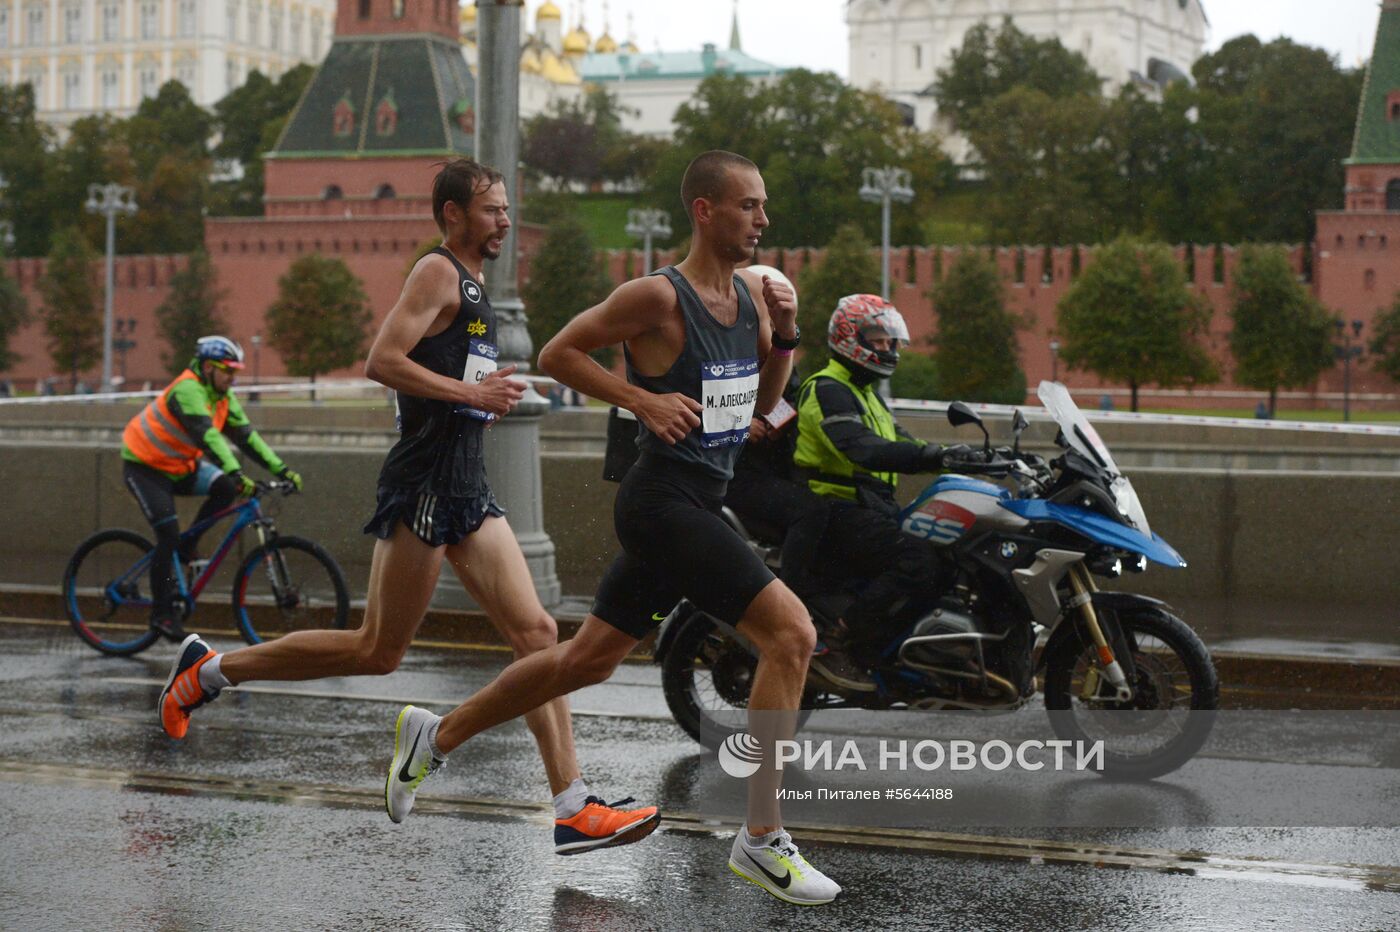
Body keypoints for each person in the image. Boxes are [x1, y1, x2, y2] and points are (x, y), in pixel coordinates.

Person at [354, 150, 839, 906]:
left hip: (699, 501)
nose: (763, 220)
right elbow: (556, 353)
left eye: (764, 206)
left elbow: (758, 410)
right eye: (748, 205)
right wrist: (639, 400)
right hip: (660, 504)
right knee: (792, 635)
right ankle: (762, 840)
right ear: (705, 211)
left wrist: (783, 336)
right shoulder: (656, 298)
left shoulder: (754, 293)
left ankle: (435, 737)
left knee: (584, 660)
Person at [156, 158, 658, 857]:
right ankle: (207, 672)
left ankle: (573, 805)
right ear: (453, 214)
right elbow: (381, 360)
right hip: (424, 483)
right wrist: (472, 396)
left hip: (466, 485)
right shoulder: (436, 271)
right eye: (492, 210)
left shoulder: (474, 287)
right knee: (378, 651)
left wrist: (475, 393)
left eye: (508, 210)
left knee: (538, 634)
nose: (505, 221)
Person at [794, 294, 974, 692]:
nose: (888, 348)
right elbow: (864, 449)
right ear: (848, 337)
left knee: (951, 554)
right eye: (878, 339)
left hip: (871, 506)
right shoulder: (828, 388)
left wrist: (964, 456)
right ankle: (842, 640)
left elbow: (903, 440)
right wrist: (932, 456)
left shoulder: (868, 394)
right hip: (836, 509)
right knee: (920, 560)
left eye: (892, 341)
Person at [121, 335, 301, 641]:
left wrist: (281, 468)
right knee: (168, 535)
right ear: (207, 367)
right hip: (145, 468)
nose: (232, 378)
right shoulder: (188, 389)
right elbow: (209, 438)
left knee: (225, 489)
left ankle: (187, 547)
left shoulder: (222, 397)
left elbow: (248, 438)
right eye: (227, 371)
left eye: (235, 372)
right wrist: (235, 471)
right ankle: (162, 615)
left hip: (181, 466)